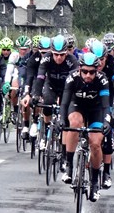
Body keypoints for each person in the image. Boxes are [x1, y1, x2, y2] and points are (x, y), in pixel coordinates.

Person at [60, 52, 111, 202]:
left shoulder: (102, 80)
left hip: (96, 110)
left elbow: (106, 105)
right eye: (85, 71)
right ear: (79, 69)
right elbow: (64, 102)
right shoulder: (72, 77)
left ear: (97, 70)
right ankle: (69, 165)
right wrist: (62, 121)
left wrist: (107, 122)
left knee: (95, 143)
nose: (88, 75)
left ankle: (94, 182)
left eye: (92, 72)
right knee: (74, 124)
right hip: (77, 106)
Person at [30, 35, 79, 166]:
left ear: (66, 52)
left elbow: (75, 82)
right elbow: (40, 77)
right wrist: (35, 95)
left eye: (62, 55)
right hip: (50, 86)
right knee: (47, 104)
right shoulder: (46, 58)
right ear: (51, 52)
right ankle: (47, 130)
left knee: (65, 119)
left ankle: (63, 153)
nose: (58, 58)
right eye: (56, 54)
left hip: (66, 89)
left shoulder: (72, 60)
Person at [90, 40, 114, 188]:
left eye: (102, 59)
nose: (100, 63)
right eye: (97, 60)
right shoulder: (87, 65)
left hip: (109, 96)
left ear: (107, 56)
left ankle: (106, 173)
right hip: (90, 97)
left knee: (107, 127)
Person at [22, 36, 51, 143]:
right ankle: (32, 123)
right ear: (38, 50)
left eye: (48, 52)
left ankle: (49, 129)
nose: (45, 55)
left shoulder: (55, 58)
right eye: (43, 52)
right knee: (31, 99)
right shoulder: (33, 59)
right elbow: (29, 77)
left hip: (50, 81)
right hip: (36, 81)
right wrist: (26, 93)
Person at [3, 35, 33, 137]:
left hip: (30, 76)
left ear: (29, 48)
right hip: (18, 75)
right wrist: (7, 82)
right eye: (21, 49)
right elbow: (9, 70)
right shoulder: (14, 56)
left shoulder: (32, 56)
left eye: (25, 49)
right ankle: (15, 109)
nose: (23, 52)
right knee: (14, 86)